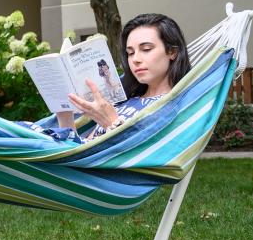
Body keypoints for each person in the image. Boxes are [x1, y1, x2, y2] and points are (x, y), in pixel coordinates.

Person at [24, 13, 191, 143]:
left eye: (146, 49)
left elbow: (141, 154)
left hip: (102, 180)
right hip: (74, 169)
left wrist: (111, 121)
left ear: (172, 52)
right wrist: (64, 114)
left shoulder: (172, 107)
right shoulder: (124, 99)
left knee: (9, 136)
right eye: (130, 53)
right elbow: (80, 151)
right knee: (16, 133)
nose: (135, 59)